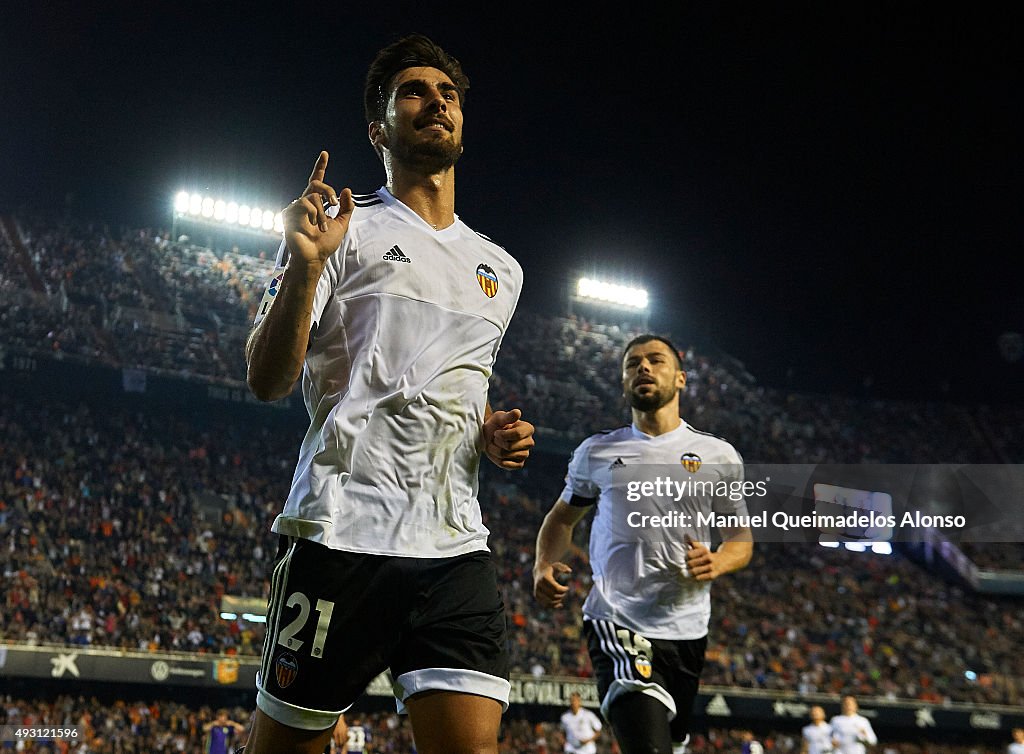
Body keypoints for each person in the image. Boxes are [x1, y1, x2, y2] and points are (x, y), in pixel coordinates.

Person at [242, 33, 535, 754]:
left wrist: (487, 431)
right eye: (415, 90)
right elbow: (267, 380)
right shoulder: (343, 230)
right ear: (379, 130)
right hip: (344, 535)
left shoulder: (501, 268)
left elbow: (451, 383)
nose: (437, 100)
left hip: (454, 546)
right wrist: (306, 266)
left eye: (449, 93)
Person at [533, 334, 753, 754]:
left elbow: (740, 541)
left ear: (682, 379)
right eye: (633, 363)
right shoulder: (597, 451)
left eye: (656, 361)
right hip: (618, 621)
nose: (644, 368)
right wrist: (543, 563)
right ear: (623, 382)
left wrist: (719, 562)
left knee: (672, 744)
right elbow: (562, 519)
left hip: (688, 630)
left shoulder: (718, 455)